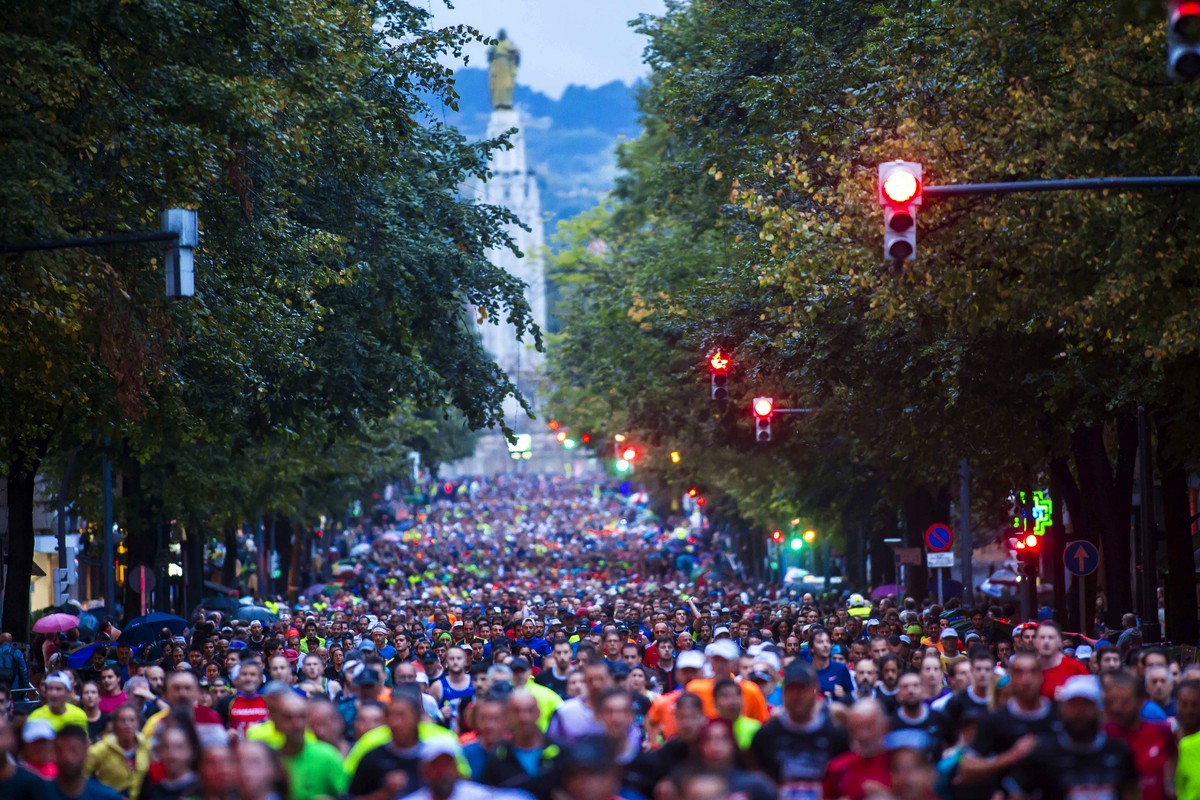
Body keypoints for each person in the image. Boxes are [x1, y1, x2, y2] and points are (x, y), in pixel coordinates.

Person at [1007, 675, 1138, 800]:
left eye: (1086, 705)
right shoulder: (1043, 753)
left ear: (1099, 710)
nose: (1079, 712)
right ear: (1062, 709)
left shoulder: (1119, 750)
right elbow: (1019, 795)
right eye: (1073, 705)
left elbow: (1131, 791)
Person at [749, 660, 849, 791]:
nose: (797, 696)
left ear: (815, 690)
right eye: (792, 689)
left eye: (802, 689)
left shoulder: (835, 736)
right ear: (784, 692)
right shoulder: (767, 736)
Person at [1102, 670, 1176, 800]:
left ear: (1140, 701)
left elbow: (1172, 762)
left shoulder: (1161, 732)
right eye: (1112, 701)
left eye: (1125, 702)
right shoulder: (1103, 735)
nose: (1117, 708)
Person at [273, 691, 347, 800]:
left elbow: (346, 795)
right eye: (288, 718)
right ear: (276, 723)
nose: (296, 724)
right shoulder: (271, 761)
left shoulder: (327, 756)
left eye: (301, 717)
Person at [823, 699, 891, 800]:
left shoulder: (899, 765)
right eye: (856, 728)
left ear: (884, 727)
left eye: (869, 727)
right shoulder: (837, 767)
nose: (862, 735)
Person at [85, 704, 146, 795]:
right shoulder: (101, 749)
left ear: (138, 723)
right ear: (115, 725)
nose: (128, 725)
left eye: (132, 720)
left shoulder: (146, 746)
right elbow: (82, 776)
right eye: (123, 721)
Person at [52, 725, 122, 800]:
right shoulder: (41, 792)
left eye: (74, 750)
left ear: (85, 751)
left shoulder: (106, 796)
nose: (67, 757)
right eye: (60, 750)